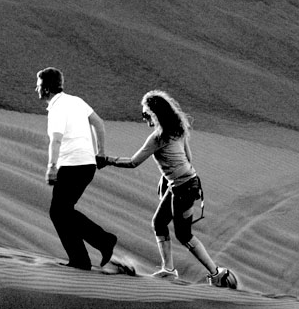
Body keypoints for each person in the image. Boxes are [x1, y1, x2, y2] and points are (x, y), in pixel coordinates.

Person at [97, 90, 237, 288]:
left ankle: (217, 274)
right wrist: (167, 177)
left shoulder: (158, 137)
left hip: (183, 189)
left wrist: (107, 161)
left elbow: (133, 162)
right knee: (159, 223)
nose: (144, 118)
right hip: (186, 184)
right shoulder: (178, 130)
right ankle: (169, 269)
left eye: (146, 114)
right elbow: (188, 158)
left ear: (155, 114)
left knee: (184, 235)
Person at [35, 67, 119, 271]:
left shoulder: (57, 109)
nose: (35, 89)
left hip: (72, 165)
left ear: (46, 88)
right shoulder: (76, 101)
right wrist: (100, 152)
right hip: (88, 165)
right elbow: (99, 123)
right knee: (62, 211)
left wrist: (52, 166)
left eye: (38, 85)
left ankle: (99, 245)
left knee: (59, 211)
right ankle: (86, 254)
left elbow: (55, 140)